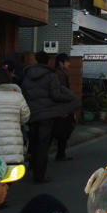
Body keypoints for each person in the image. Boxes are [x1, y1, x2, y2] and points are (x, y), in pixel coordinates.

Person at [21, 51, 81, 184]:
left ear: (36, 61)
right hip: (46, 115)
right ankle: (40, 175)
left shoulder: (27, 76)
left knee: (34, 142)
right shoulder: (51, 76)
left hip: (32, 114)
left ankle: (33, 164)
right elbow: (56, 95)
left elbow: (24, 95)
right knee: (43, 144)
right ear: (48, 62)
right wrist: (68, 99)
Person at [51, 53, 75, 161]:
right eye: (67, 62)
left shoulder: (54, 73)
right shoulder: (60, 75)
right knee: (62, 131)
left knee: (56, 132)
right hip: (61, 109)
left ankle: (60, 154)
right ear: (61, 63)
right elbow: (62, 93)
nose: (69, 64)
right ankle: (60, 154)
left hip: (55, 108)